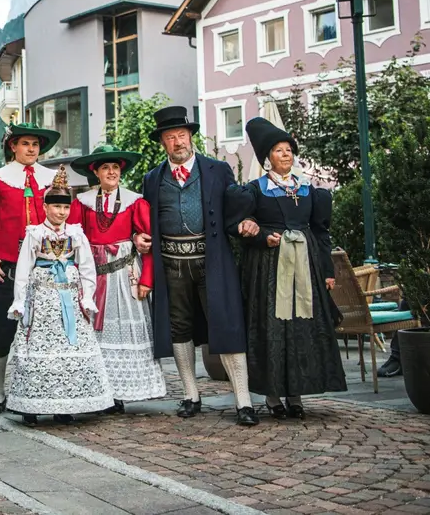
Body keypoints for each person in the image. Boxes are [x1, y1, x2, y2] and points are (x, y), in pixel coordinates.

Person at [136, 106, 261, 426]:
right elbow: (144, 222)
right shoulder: (152, 179)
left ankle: (243, 401)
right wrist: (139, 237)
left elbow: (234, 212)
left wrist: (246, 221)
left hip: (212, 261)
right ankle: (191, 394)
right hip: (172, 264)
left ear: (190, 137)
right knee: (179, 328)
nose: (177, 142)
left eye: (181, 135)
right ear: (162, 143)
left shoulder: (217, 170)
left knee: (228, 325)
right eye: (169, 137)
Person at [225, 118, 346, 419]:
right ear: (268, 157)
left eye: (289, 150)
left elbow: (320, 233)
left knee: (302, 327)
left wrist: (327, 270)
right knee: (273, 328)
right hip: (269, 269)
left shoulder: (309, 191)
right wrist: (262, 235)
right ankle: (272, 396)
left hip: (306, 270)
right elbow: (238, 228)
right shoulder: (254, 191)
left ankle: (297, 395)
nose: (286, 154)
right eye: (279, 151)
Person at [6, 165, 114, 424]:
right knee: (38, 348)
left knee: (69, 346)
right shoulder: (35, 233)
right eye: (56, 207)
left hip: (70, 297)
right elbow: (23, 270)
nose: (61, 212)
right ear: (45, 207)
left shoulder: (75, 233)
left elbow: (87, 267)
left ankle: (65, 404)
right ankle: (31, 405)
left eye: (65, 208)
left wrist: (87, 297)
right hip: (41, 300)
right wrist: (20, 301)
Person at [0, 121, 60, 414]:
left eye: (35, 144)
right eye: (25, 144)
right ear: (13, 146)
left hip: (45, 264)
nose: (31, 149)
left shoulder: (52, 179)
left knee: (44, 328)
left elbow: (65, 217)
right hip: (7, 266)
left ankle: (41, 390)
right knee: (4, 327)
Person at [68, 145, 165, 411]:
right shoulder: (83, 203)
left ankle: (120, 393)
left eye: (115, 168)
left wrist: (147, 278)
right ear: (95, 172)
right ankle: (97, 390)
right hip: (92, 276)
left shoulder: (135, 201)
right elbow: (74, 239)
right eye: (105, 168)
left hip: (124, 276)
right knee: (93, 333)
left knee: (123, 330)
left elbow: (148, 242)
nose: (111, 172)